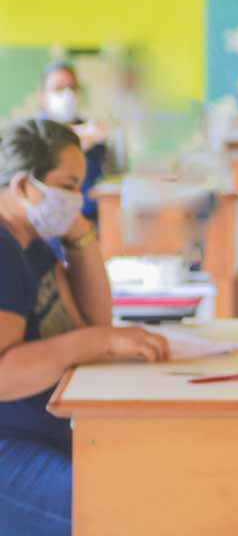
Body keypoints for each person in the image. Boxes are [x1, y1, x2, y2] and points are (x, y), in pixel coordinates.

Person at [0, 118, 170, 535]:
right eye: (69, 186)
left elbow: (94, 322)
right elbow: (3, 374)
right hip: (10, 450)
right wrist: (99, 341)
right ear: (24, 186)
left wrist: (81, 236)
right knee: (119, 511)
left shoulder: (31, 242)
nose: (79, 198)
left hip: (46, 432)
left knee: (166, 480)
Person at [40, 61, 108, 221]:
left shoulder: (94, 134)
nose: (67, 95)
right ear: (42, 96)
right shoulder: (33, 134)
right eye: (58, 89)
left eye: (72, 88)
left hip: (90, 222)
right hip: (47, 225)